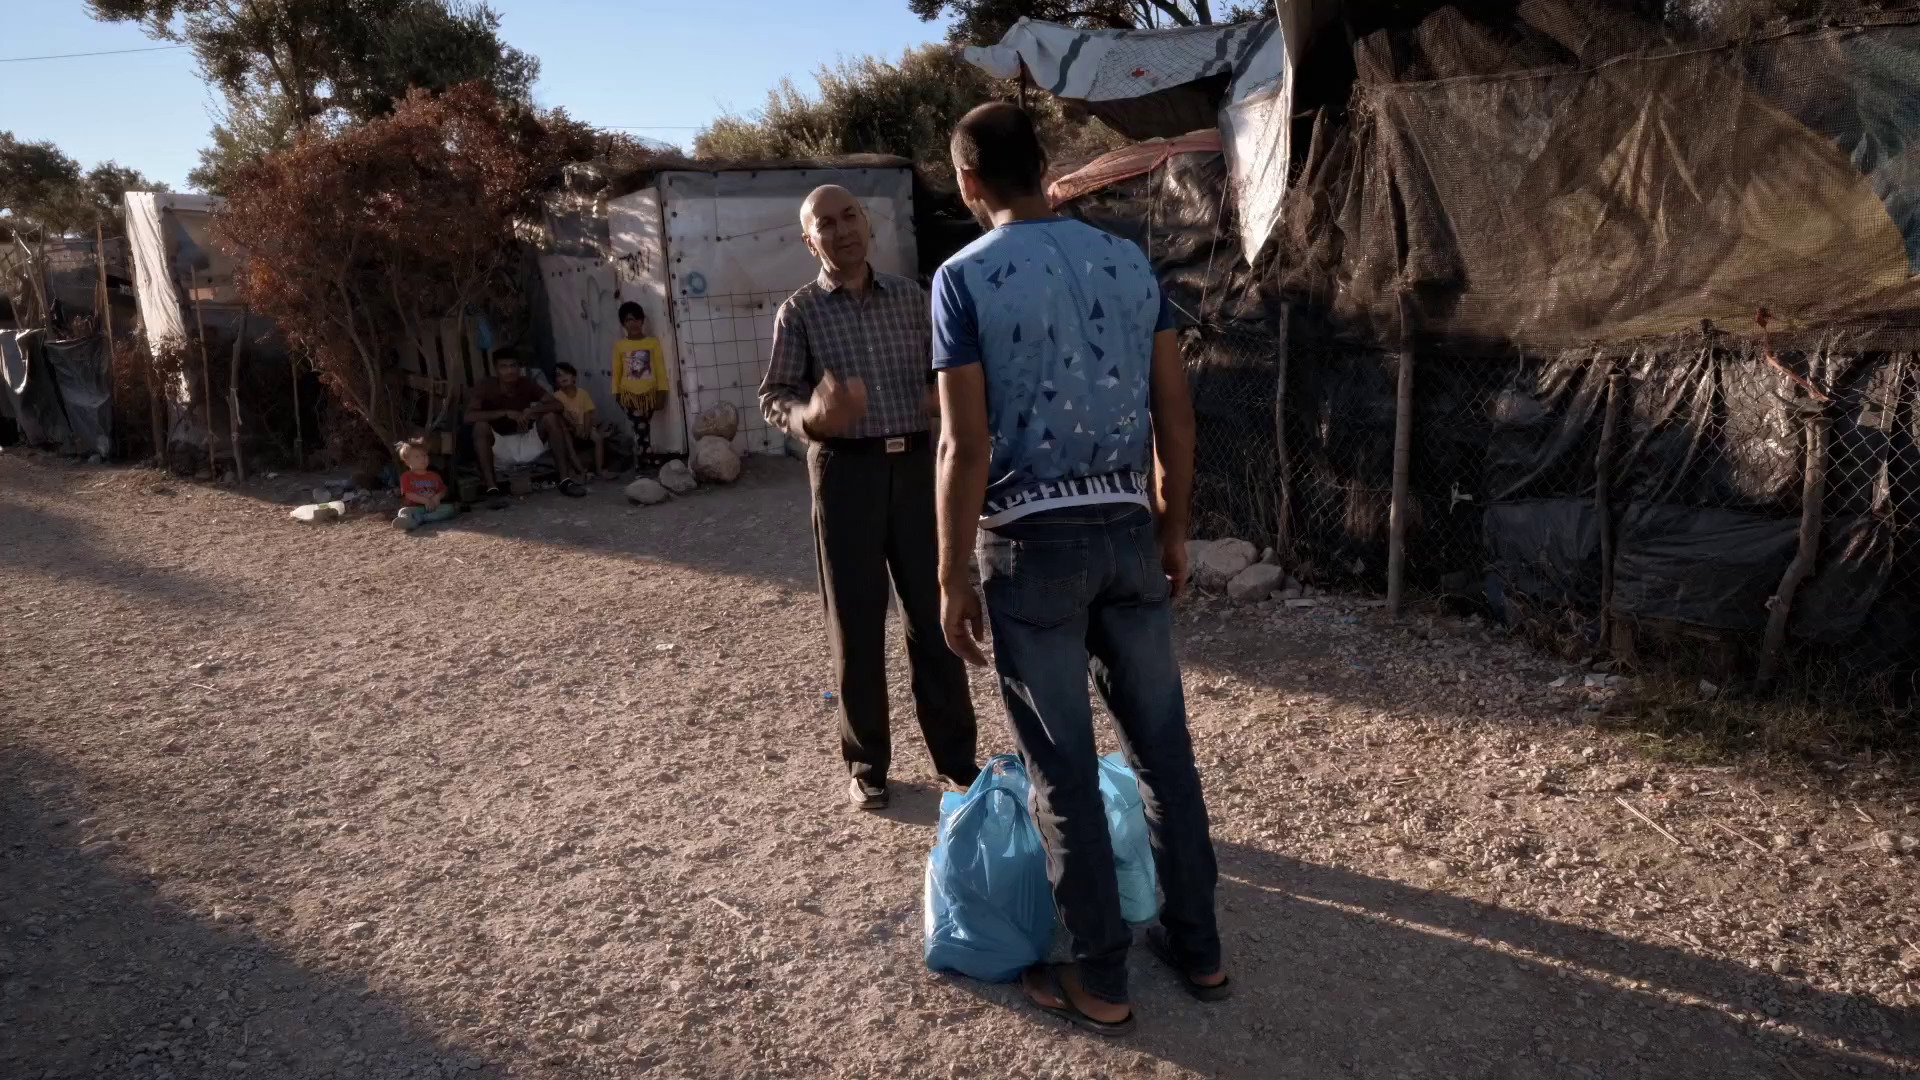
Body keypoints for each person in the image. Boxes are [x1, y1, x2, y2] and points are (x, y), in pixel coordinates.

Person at [932, 103, 1228, 1035]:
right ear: (1049, 166)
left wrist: (950, 574)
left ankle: (1100, 975)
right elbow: (1175, 417)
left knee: (1060, 769)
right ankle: (1201, 948)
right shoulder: (1129, 261)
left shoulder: (962, 279)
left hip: (1030, 545)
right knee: (1164, 753)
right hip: (1129, 531)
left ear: (970, 181)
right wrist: (1171, 529)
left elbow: (962, 445)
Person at [760, 183, 979, 810]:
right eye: (825, 223)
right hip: (844, 473)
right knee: (855, 624)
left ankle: (957, 761)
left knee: (934, 614)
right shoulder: (798, 312)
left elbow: (948, 374)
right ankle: (866, 765)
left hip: (916, 468)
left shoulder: (914, 299)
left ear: (868, 224)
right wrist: (813, 417)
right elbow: (774, 396)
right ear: (810, 241)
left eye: (850, 215)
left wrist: (941, 400)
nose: (842, 229)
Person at [465, 351, 586, 503]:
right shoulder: (485, 386)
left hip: (526, 442)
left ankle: (565, 480)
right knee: (480, 427)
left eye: (513, 366)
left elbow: (557, 405)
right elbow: (469, 417)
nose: (509, 371)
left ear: (519, 367)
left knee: (551, 417)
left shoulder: (526, 383)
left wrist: (533, 410)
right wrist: (505, 413)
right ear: (496, 369)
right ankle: (492, 490)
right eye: (503, 367)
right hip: (499, 447)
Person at [612, 303, 670, 464]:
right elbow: (616, 371)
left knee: (644, 426)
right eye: (629, 320)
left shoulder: (652, 343)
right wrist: (616, 393)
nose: (634, 323)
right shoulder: (620, 346)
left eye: (638, 319)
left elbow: (659, 369)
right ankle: (645, 458)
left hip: (649, 394)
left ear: (643, 321)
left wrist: (662, 392)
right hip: (628, 394)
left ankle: (643, 458)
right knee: (640, 426)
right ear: (623, 323)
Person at [553, 362, 614, 480]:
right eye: (559, 375)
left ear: (574, 377)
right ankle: (580, 471)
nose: (563, 377)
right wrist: (576, 428)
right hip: (568, 429)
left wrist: (585, 429)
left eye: (566, 374)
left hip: (584, 425)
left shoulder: (582, 393)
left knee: (598, 438)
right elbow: (563, 416)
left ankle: (600, 469)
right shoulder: (557, 396)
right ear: (556, 381)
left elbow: (587, 413)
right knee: (567, 443)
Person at [391, 437, 459, 531]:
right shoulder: (406, 476)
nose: (422, 458)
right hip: (415, 508)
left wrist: (437, 497)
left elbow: (443, 490)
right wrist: (425, 501)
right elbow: (408, 494)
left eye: (424, 455)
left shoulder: (434, 475)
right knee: (403, 511)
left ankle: (419, 520)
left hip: (433, 507)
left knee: (450, 509)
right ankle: (409, 520)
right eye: (417, 456)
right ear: (407, 461)